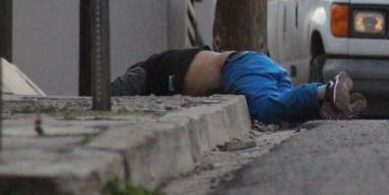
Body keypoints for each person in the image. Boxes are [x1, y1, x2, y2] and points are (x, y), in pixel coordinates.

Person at [108, 47, 366, 123]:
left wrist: (96, 96)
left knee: (266, 109)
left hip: (239, 67)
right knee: (283, 108)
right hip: (256, 65)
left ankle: (327, 89)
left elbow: (117, 89)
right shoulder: (170, 61)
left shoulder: (150, 68)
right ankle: (328, 104)